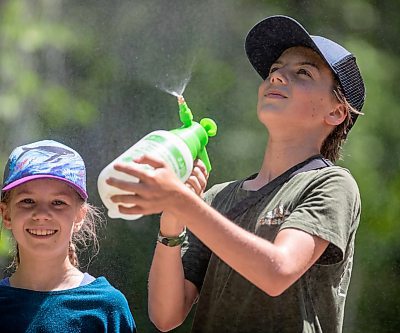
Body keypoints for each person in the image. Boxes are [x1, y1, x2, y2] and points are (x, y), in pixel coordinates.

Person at [107, 15, 366, 333]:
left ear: (336, 112)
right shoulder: (218, 198)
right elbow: (166, 315)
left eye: (302, 72)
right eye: (275, 70)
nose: (278, 77)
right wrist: (172, 220)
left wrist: (185, 203)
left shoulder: (331, 184)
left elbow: (278, 272)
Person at [0, 140, 137, 333]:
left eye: (58, 202)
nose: (41, 214)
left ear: (79, 215)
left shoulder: (107, 307)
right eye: (27, 201)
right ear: (6, 215)